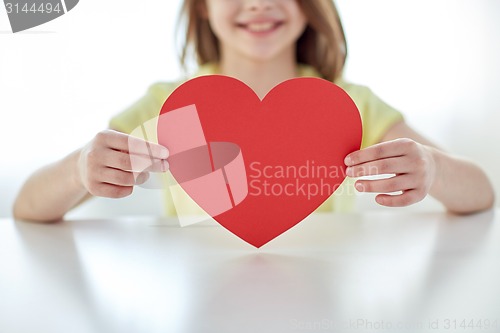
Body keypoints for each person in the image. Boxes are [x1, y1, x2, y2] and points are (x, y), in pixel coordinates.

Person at [13, 0, 495, 222]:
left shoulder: (348, 106)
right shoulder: (169, 105)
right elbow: (27, 209)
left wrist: (432, 169)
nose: (259, 4)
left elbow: (481, 193)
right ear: (200, 6)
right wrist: (81, 170)